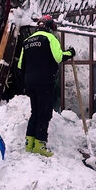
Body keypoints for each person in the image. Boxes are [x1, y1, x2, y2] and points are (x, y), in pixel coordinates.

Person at [17, 15, 75, 157]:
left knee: (35, 111)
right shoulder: (50, 38)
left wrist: (26, 81)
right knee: (44, 113)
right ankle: (40, 144)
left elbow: (20, 66)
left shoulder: (27, 41)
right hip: (44, 82)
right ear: (49, 27)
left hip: (30, 82)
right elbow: (58, 57)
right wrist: (70, 52)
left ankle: (29, 143)